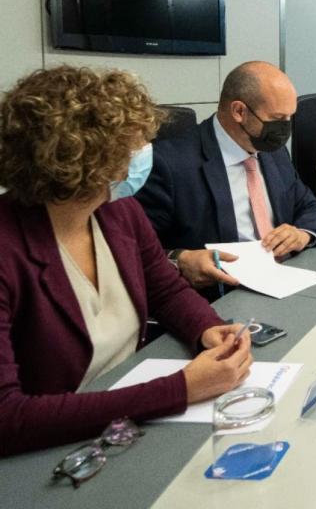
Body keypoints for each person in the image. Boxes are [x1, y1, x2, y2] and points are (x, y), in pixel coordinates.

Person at [0, 66, 253, 456]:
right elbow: (9, 418)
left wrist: (207, 329)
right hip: (50, 447)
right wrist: (179, 389)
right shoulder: (8, 247)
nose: (144, 153)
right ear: (80, 160)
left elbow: (166, 290)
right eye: (131, 146)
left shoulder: (121, 211)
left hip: (124, 420)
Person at [136, 61, 316, 298]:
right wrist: (180, 259)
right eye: (277, 118)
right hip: (220, 296)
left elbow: (310, 205)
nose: (284, 129)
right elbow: (134, 249)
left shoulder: (274, 152)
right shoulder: (170, 164)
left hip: (288, 281)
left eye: (290, 118)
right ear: (239, 111)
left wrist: (302, 233)